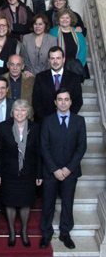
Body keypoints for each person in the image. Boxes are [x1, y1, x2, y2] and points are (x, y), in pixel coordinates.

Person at [40, 89, 87, 250]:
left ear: (71, 102)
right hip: (51, 171)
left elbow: (81, 148)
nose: (63, 102)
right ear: (55, 102)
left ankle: (65, 233)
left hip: (70, 171)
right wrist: (55, 169)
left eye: (66, 99)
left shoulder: (79, 121)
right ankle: (46, 234)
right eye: (60, 99)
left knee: (67, 203)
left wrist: (68, 169)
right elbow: (44, 147)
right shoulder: (47, 121)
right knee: (48, 204)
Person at [0, 99, 42, 247]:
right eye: (17, 110)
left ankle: (23, 231)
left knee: (25, 203)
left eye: (23, 110)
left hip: (28, 172)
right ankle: (11, 231)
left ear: (28, 112)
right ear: (12, 112)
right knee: (9, 203)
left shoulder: (36, 128)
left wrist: (39, 174)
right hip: (8, 172)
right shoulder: (3, 127)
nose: (20, 113)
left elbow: (38, 153)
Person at [32, 46, 83, 123]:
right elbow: (36, 101)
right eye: (52, 58)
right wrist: (47, 120)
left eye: (58, 58)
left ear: (63, 59)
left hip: (67, 123)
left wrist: (64, 117)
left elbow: (77, 101)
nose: (55, 61)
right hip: (44, 122)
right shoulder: (40, 77)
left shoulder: (74, 78)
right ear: (48, 60)